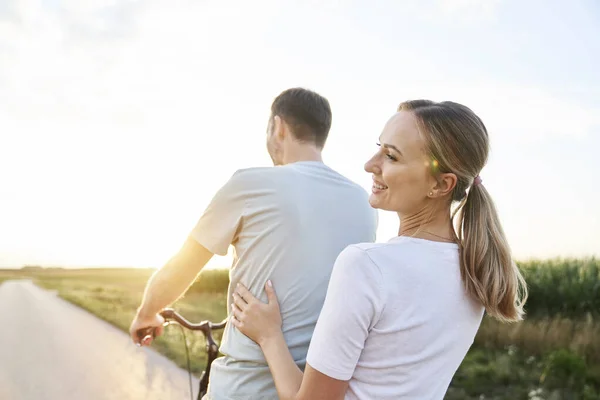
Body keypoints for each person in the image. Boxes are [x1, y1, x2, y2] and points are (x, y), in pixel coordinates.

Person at [230, 99, 529, 400]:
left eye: (391, 156)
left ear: (440, 185)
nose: (370, 165)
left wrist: (268, 335)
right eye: (379, 148)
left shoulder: (366, 265)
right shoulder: (476, 271)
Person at [128, 88, 378, 399]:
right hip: (317, 387)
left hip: (241, 388)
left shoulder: (250, 183)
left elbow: (181, 267)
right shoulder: (363, 202)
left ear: (278, 127)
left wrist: (147, 312)